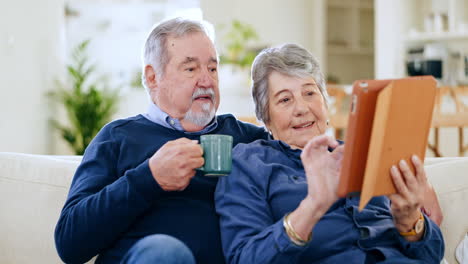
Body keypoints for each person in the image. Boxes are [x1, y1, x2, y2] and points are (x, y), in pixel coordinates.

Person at [54, 17, 268, 264]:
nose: (207, 81)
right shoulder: (117, 137)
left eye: (212, 68)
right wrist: (148, 178)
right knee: (165, 252)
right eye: (191, 69)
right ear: (153, 77)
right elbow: (69, 244)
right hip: (150, 257)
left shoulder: (246, 138)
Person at [215, 44, 445, 264]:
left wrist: (410, 220)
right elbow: (245, 258)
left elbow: (432, 255)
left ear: (325, 103)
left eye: (310, 93)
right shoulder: (248, 164)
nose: (302, 108)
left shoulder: (366, 155)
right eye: (285, 99)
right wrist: (312, 207)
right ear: (266, 118)